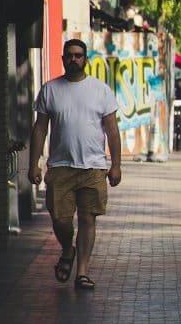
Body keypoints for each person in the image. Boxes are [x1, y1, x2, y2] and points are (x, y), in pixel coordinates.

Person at [28, 39, 121, 290]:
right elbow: (40, 129)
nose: (74, 59)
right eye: (69, 55)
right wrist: (34, 163)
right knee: (61, 220)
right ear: (62, 58)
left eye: (79, 55)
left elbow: (112, 130)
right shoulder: (50, 90)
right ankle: (67, 249)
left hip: (93, 167)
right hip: (60, 166)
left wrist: (116, 165)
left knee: (88, 219)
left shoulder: (100, 90)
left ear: (86, 59)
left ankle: (82, 272)